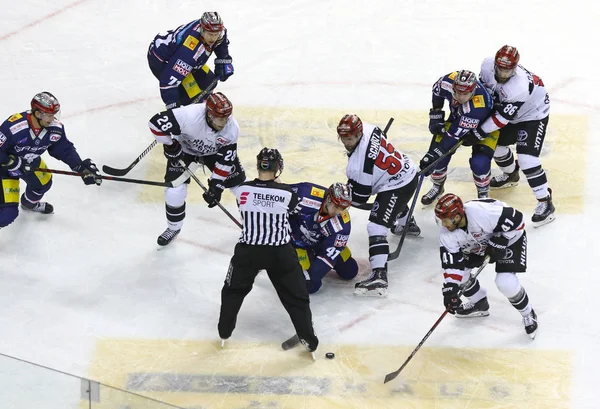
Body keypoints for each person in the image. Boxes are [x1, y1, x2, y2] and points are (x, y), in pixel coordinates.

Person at [218, 148, 319, 355]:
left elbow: (246, 205)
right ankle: (308, 338)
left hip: (248, 252)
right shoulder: (288, 194)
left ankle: (224, 331)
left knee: (232, 292)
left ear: (258, 166)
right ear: (278, 168)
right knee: (297, 297)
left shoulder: (242, 190)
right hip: (280, 253)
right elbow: (291, 210)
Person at [337, 114, 421, 297]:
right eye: (343, 138)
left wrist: (348, 190)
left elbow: (360, 197)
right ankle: (408, 222)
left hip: (398, 184)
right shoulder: (368, 127)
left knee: (376, 225)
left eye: (349, 139)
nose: (346, 142)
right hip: (405, 168)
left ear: (358, 134)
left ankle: (379, 275)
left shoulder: (357, 167)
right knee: (385, 200)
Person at [148, 92, 246, 246]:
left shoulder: (232, 128)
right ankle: (173, 228)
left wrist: (216, 186)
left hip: (214, 153)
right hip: (185, 151)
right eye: (221, 118)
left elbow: (226, 160)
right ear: (209, 114)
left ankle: (252, 227)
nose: (224, 122)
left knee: (241, 188)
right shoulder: (188, 115)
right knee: (174, 192)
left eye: (227, 117)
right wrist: (170, 145)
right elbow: (155, 123)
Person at [435, 193, 538, 339]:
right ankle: (479, 303)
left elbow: (518, 219)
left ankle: (528, 313)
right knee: (461, 274)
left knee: (505, 282)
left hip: (510, 237)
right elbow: (451, 263)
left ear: (457, 216)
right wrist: (450, 290)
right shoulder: (447, 233)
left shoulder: (482, 213)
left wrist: (500, 242)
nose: (443, 225)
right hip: (480, 242)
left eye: (445, 220)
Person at [478, 45, 554, 227]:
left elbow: (501, 119)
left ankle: (545, 202)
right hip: (511, 113)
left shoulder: (519, 87)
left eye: (508, 69)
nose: (503, 73)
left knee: (527, 159)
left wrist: (477, 130)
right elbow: (482, 93)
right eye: (500, 68)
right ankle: (511, 174)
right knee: (495, 146)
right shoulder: (486, 65)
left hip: (533, 115)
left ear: (515, 68)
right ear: (495, 63)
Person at [0, 92, 101, 227]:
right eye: (49, 115)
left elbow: (64, 149)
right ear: (37, 113)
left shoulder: (55, 129)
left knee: (43, 183)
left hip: (30, 163)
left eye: (54, 114)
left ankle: (28, 205)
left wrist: (81, 167)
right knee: (7, 215)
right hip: (5, 169)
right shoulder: (14, 127)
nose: (52, 118)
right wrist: (11, 162)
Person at [420, 70, 500, 205]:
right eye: (456, 92)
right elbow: (437, 91)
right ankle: (438, 187)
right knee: (439, 161)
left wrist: (435, 154)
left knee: (479, 163)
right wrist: (436, 113)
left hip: (484, 127)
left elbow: (453, 135)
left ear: (473, 91)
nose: (459, 97)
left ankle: (483, 194)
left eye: (465, 94)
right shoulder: (447, 81)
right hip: (457, 119)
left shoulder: (477, 106)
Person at [147, 12, 234, 109]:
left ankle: (201, 106)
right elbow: (168, 82)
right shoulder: (189, 51)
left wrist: (224, 60)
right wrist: (174, 107)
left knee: (208, 82)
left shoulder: (218, 31)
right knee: (190, 96)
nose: (213, 38)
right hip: (162, 61)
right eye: (210, 34)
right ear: (202, 30)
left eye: (215, 34)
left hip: (181, 55)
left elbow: (221, 42)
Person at [289, 181, 358, 294]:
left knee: (350, 271)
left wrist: (312, 274)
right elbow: (278, 193)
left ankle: (340, 248)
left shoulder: (342, 224)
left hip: (322, 244)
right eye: (336, 206)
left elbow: (327, 258)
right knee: (310, 287)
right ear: (329, 198)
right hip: (296, 242)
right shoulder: (305, 193)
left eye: (342, 208)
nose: (337, 211)